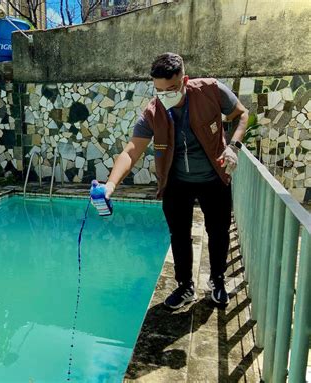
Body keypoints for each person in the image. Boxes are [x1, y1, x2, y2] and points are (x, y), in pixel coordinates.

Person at [104, 52, 248, 309]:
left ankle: (217, 281)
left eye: (171, 88)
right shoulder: (153, 112)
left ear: (185, 80)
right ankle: (185, 287)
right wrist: (110, 185)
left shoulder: (211, 91)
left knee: (217, 232)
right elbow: (131, 151)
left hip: (214, 176)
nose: (165, 95)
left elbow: (242, 114)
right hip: (176, 181)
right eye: (159, 90)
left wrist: (233, 147)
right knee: (179, 235)